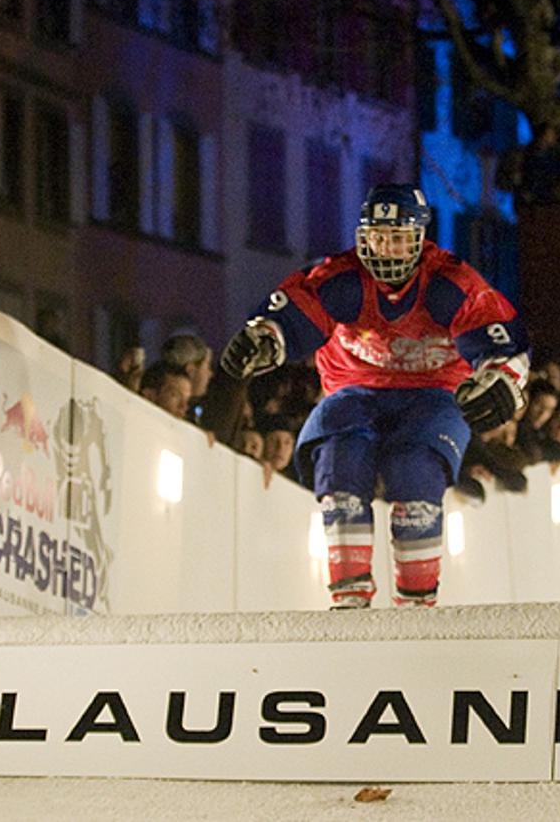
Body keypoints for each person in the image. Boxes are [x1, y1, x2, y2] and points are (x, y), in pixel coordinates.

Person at [219, 184, 529, 609]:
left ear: (420, 240)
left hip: (433, 392)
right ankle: (349, 597)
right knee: (340, 463)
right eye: (378, 237)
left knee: (415, 472)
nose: (386, 250)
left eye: (398, 238)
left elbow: (496, 333)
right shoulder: (343, 280)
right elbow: (299, 306)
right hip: (354, 388)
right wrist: (268, 336)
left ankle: (417, 600)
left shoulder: (448, 283)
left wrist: (502, 378)